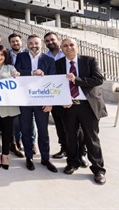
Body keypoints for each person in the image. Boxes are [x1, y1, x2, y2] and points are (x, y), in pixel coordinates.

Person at [56, 38, 107, 185]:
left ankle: (98, 170)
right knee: (71, 136)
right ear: (61, 49)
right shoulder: (58, 64)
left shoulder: (89, 60)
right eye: (65, 46)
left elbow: (98, 79)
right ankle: (72, 163)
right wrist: (61, 100)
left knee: (92, 138)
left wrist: (76, 80)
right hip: (69, 106)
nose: (69, 48)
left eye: (71, 45)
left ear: (77, 47)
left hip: (88, 105)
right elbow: (55, 84)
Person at [44, 32, 89, 167]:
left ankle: (82, 152)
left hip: (74, 98)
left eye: (52, 39)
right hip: (58, 96)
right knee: (60, 125)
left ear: (58, 39)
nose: (50, 42)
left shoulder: (68, 54)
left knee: (78, 129)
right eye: (47, 41)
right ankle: (65, 148)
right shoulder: (45, 57)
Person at [14, 34, 58, 173]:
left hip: (42, 101)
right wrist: (32, 72)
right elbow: (17, 72)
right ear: (27, 45)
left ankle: (45, 158)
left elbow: (53, 80)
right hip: (25, 100)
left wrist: (50, 102)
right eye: (31, 43)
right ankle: (29, 157)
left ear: (41, 44)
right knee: (25, 129)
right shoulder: (21, 57)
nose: (34, 45)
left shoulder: (49, 60)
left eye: (36, 43)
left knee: (43, 131)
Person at [8, 33, 35, 156]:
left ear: (21, 41)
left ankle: (32, 142)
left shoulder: (27, 54)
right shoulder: (7, 54)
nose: (15, 43)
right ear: (10, 43)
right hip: (12, 90)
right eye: (12, 41)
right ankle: (17, 141)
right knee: (15, 118)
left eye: (17, 41)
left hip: (28, 90)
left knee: (30, 118)